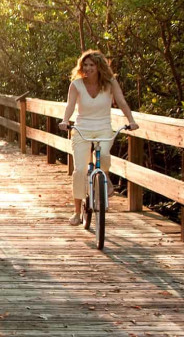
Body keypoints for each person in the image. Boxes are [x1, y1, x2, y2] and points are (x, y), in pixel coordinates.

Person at [59, 49, 139, 225]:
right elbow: (70, 106)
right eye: (85, 65)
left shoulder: (110, 83)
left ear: (99, 66)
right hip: (81, 129)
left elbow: (122, 102)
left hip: (103, 128)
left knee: (103, 156)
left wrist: (131, 121)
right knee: (79, 170)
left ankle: (105, 178)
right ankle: (77, 212)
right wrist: (65, 120)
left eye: (91, 65)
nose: (87, 68)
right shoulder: (76, 85)